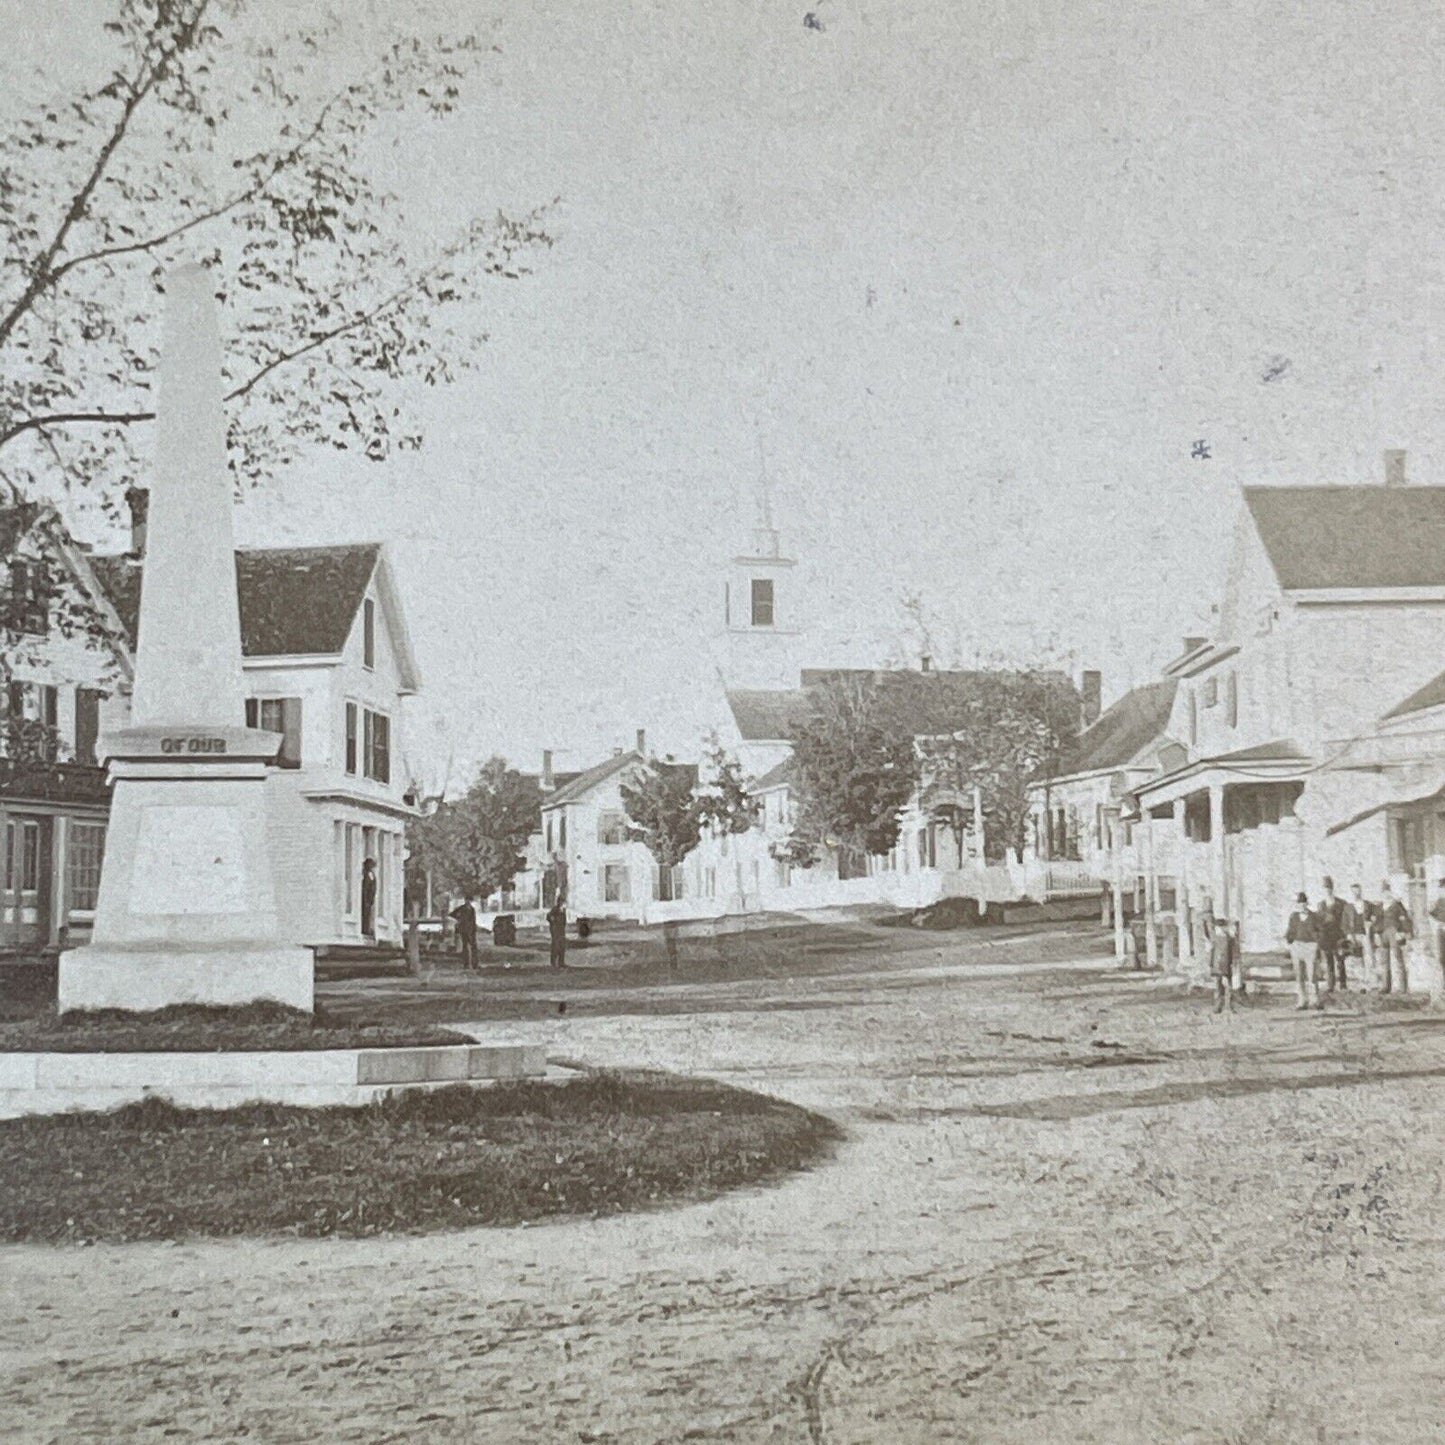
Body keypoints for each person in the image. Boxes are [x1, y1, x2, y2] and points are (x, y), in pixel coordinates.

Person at [1285, 892, 1321, 1011]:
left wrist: (1315, 941)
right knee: (1299, 975)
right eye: (1299, 903)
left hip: (1310, 947)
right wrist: (1291, 943)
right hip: (1297, 946)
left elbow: (1320, 931)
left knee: (1311, 975)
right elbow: (1290, 931)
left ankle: (1314, 1000)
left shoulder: (1314, 916)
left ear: (1307, 903)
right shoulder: (1294, 917)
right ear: (1297, 905)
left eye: (1303, 903)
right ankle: (1302, 1001)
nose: (1302, 905)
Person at [1377, 880, 1413, 995]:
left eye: (1387, 891)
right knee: (1384, 961)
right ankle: (1385, 986)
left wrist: (1403, 932)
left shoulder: (1397, 905)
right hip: (1383, 934)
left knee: (1398, 959)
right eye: (1384, 892)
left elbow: (1405, 919)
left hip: (1395, 933)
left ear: (1390, 892)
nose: (1386, 894)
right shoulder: (1380, 906)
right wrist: (1377, 932)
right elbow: (1376, 921)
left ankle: (1403, 988)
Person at [1316, 876, 1349, 993]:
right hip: (1326, 937)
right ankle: (1331, 985)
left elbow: (1345, 920)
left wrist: (1345, 935)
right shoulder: (1321, 905)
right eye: (1325, 888)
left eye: (1329, 888)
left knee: (1340, 960)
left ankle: (1343, 984)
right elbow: (1318, 921)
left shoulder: (1341, 903)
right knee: (1329, 961)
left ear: (1332, 889)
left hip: (1338, 936)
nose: (1327, 890)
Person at [1346, 883, 1377, 982]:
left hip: (1366, 934)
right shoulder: (1348, 907)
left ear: (1361, 891)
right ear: (1351, 892)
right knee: (1357, 958)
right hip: (1354, 935)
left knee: (1369, 956)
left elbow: (1376, 914)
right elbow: (1344, 922)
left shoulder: (1368, 905)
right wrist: (1349, 934)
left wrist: (1372, 921)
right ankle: (1361, 979)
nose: (1356, 893)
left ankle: (1370, 979)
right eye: (1354, 891)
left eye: (1357, 890)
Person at [1210, 917, 1239, 1014]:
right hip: (1219, 967)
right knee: (1219, 988)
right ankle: (1219, 1007)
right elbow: (1213, 953)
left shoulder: (1228, 939)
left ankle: (1228, 1006)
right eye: (1218, 927)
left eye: (1220, 927)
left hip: (1225, 966)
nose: (1218, 929)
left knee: (1227, 987)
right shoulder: (1218, 939)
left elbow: (1231, 953)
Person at [450, 899, 479, 971]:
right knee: (466, 947)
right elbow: (452, 914)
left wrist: (474, 929)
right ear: (465, 901)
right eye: (467, 901)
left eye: (469, 901)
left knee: (473, 947)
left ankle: (474, 964)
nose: (468, 902)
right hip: (464, 930)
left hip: (471, 930)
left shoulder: (472, 909)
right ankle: (466, 964)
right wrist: (459, 919)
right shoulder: (462, 908)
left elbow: (473, 920)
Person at [547, 899, 568, 970]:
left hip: (561, 931)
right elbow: (549, 916)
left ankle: (561, 962)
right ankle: (553, 963)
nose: (565, 905)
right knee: (556, 946)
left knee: (562, 946)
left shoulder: (563, 911)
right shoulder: (555, 909)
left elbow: (564, 921)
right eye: (564, 903)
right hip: (556, 931)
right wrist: (553, 921)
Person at [360, 858, 377, 939]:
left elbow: (372, 885)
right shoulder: (366, 874)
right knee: (365, 913)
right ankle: (365, 928)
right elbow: (366, 887)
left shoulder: (371, 874)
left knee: (368, 913)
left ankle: (367, 928)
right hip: (366, 897)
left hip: (370, 897)